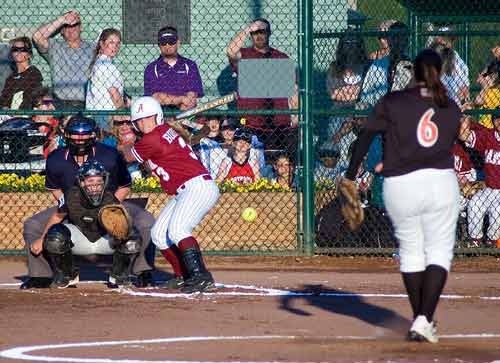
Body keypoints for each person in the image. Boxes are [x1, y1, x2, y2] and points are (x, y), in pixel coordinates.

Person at [344, 49, 462, 343]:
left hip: (401, 185)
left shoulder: (393, 101)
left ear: (414, 72)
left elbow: (366, 137)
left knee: (410, 249)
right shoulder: (451, 106)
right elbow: (438, 143)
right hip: (440, 182)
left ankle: (420, 319)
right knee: (438, 251)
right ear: (438, 72)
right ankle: (424, 318)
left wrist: (350, 173)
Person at [20, 115, 155, 289]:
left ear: (94, 135)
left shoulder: (110, 154)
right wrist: (69, 205)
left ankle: (143, 272)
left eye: (85, 134)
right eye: (75, 134)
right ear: (66, 135)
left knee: (146, 221)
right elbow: (54, 188)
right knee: (33, 225)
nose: (80, 138)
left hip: (110, 202)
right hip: (74, 202)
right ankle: (41, 275)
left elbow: (124, 185)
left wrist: (111, 207)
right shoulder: (56, 158)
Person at [124, 96, 220, 293]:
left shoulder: (152, 138)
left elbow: (127, 157)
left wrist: (123, 144)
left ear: (157, 117)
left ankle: (201, 276)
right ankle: (183, 276)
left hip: (196, 187)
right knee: (159, 234)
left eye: (147, 119)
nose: (143, 124)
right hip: (185, 190)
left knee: (178, 230)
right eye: (139, 121)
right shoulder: (162, 132)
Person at [32, 160, 144, 288]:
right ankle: (68, 275)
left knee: (131, 236)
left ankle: (119, 275)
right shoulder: (70, 195)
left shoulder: (110, 197)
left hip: (104, 240)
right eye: (90, 181)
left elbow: (122, 226)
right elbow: (57, 216)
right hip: (79, 238)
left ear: (104, 181)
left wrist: (122, 228)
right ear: (81, 181)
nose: (95, 185)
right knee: (55, 236)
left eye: (98, 181)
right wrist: (42, 239)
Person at [226, 19, 298, 161]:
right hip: (250, 123)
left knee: (280, 162)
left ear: (269, 33)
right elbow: (230, 51)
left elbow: (293, 90)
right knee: (253, 163)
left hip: (279, 124)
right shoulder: (244, 55)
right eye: (254, 33)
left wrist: (295, 116)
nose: (258, 36)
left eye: (262, 32)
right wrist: (248, 28)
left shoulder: (281, 58)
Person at [32, 10, 93, 109]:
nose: (70, 29)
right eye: (66, 26)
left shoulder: (93, 48)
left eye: (74, 25)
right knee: (42, 104)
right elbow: (37, 36)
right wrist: (62, 19)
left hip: (87, 103)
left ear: (81, 28)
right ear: (61, 30)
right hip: (59, 103)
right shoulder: (55, 47)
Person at [459, 109, 500, 248]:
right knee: (475, 203)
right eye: (496, 118)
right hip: (488, 188)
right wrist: (464, 121)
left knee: (497, 209)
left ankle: (493, 243)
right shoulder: (488, 136)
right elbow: (465, 137)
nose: (499, 121)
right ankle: (474, 243)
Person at [144, 26, 203, 110]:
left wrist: (178, 117)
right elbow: (155, 97)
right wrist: (181, 99)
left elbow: (191, 98)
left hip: (185, 113)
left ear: (178, 43)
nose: (167, 45)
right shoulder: (151, 68)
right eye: (163, 42)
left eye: (171, 42)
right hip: (161, 115)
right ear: (159, 45)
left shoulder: (190, 65)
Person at [86, 28, 125, 131]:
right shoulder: (106, 65)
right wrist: (123, 111)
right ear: (102, 44)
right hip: (107, 114)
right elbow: (114, 93)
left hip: (98, 113)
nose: (115, 46)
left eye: (118, 43)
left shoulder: (99, 62)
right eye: (111, 42)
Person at [0, 37, 42, 110]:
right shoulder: (11, 77)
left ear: (29, 54)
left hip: (24, 115)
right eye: (15, 49)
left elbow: (30, 99)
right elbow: (4, 99)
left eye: (23, 50)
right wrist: (5, 107)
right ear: (11, 54)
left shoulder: (33, 73)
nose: (19, 52)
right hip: (8, 116)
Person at [31, 87, 59, 158]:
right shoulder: (27, 125)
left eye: (53, 103)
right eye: (47, 103)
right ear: (35, 109)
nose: (53, 108)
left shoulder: (58, 125)